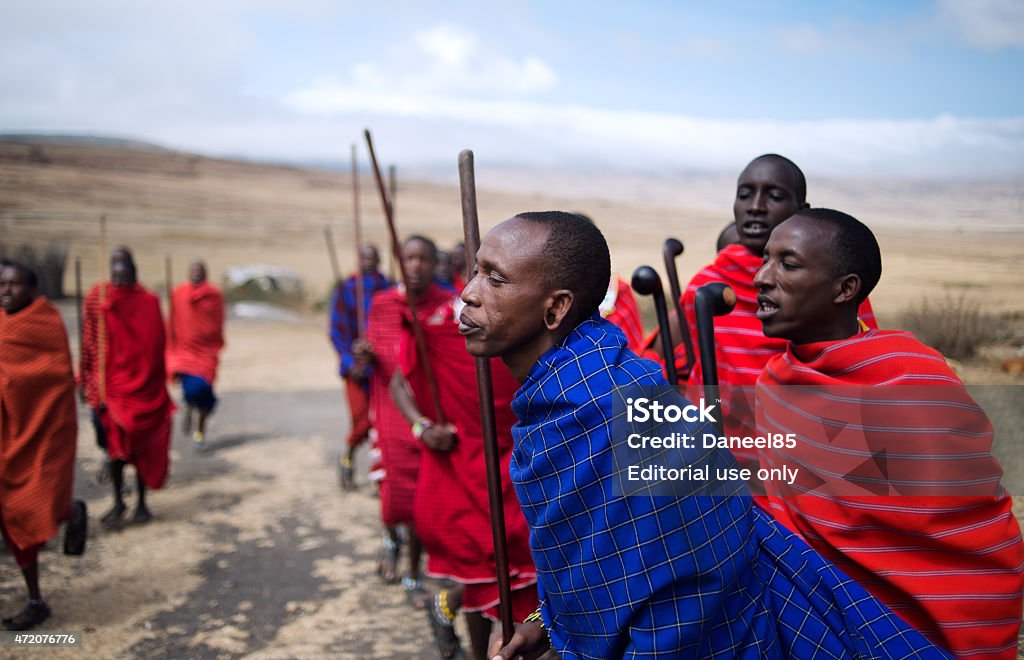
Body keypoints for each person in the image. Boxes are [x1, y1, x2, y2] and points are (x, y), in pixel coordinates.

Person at [459, 212, 942, 659]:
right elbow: (594, 565)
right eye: (476, 272)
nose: (469, 293)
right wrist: (548, 621)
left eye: (495, 279)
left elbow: (693, 581)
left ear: (556, 308)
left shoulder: (618, 406)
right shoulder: (554, 402)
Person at [753, 208, 1024, 658]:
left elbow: (963, 519)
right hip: (815, 615)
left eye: (788, 263)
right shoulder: (776, 382)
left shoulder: (911, 378)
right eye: (766, 259)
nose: (762, 276)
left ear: (845, 289)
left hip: (931, 624)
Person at [681, 155, 877, 485]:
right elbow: (689, 362)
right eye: (745, 194)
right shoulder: (708, 286)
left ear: (802, 206)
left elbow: (859, 373)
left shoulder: (834, 291)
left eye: (773, 195)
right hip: (714, 461)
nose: (755, 206)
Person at [389, 289, 537, 660]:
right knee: (480, 571)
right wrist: (422, 427)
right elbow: (399, 382)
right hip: (468, 467)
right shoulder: (441, 327)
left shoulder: (534, 328)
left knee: (531, 576)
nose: (475, 291)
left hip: (526, 467)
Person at [361, 237, 452, 586]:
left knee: (425, 498)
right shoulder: (382, 304)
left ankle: (415, 570)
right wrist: (362, 358)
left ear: (434, 263)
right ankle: (392, 544)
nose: (416, 266)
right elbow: (378, 358)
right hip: (388, 410)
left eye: (424, 259)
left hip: (431, 412)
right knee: (394, 490)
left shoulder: (448, 305)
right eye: (409, 258)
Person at [0, 262, 82, 631]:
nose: (6, 290)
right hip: (4, 431)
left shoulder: (44, 323)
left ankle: (35, 599)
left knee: (22, 511)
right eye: (1, 284)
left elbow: (56, 376)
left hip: (37, 431)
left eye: (15, 284)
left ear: (32, 289)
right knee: (11, 518)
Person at [80, 248, 173, 526]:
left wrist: (151, 382)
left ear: (134, 273)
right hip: (111, 389)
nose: (119, 281)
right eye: (115, 275)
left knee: (142, 449)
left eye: (124, 275)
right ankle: (118, 501)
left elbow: (156, 347)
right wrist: (84, 379)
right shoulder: (98, 298)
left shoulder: (148, 301)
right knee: (114, 449)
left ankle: (142, 503)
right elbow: (88, 342)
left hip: (144, 388)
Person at [329, 245, 390, 489]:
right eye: (363, 257)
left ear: (379, 260)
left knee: (382, 425)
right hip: (354, 370)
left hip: (381, 369)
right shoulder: (346, 289)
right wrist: (349, 362)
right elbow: (336, 331)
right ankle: (348, 455)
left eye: (371, 257)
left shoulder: (388, 287)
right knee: (361, 421)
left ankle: (381, 474)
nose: (367, 261)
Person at [166, 260, 225, 450]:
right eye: (193, 270)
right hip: (184, 351)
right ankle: (190, 405)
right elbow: (172, 320)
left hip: (206, 352)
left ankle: (199, 427)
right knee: (192, 388)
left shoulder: (214, 295)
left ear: (206, 273)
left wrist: (213, 341)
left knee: (204, 392)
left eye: (199, 271)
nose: (196, 274)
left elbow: (218, 321)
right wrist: (170, 346)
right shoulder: (179, 293)